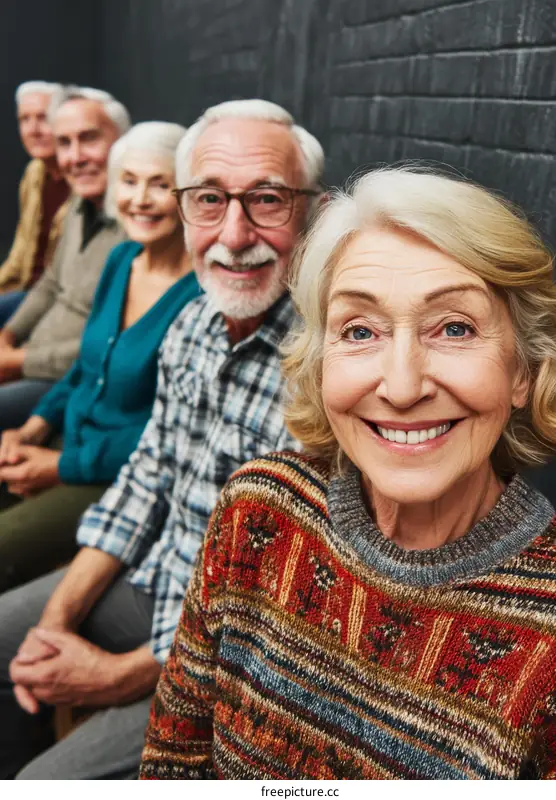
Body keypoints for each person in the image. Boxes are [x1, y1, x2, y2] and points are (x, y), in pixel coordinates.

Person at [140, 167, 556, 780]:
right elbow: (174, 764)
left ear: (523, 371)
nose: (403, 387)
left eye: (455, 328)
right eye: (360, 330)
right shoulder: (261, 509)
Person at [0, 99, 325, 780]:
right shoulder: (194, 324)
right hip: (152, 579)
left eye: (266, 199)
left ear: (312, 212)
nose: (234, 235)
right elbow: (147, 478)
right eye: (209, 200)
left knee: (40, 787)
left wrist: (114, 677)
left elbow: (277, 603)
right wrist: (58, 621)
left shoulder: (324, 368)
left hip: (231, 654)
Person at [0, 121, 199, 593]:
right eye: (129, 181)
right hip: (68, 442)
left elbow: (169, 431)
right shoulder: (123, 258)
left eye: (159, 184)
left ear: (189, 193)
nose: (141, 199)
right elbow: (84, 369)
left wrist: (60, 467)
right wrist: (32, 426)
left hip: (116, 475)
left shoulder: (200, 292)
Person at [0, 85, 130, 429]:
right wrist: (8, 335)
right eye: (64, 143)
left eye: (88, 138)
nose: (74, 157)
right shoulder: (77, 203)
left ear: (123, 141)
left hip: (64, 378)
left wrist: (16, 361)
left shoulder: (141, 223)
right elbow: (50, 281)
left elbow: (115, 344)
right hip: (33, 352)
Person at [0, 82, 71, 325]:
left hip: (55, 301)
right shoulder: (34, 173)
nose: (33, 130)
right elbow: (20, 251)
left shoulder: (83, 179)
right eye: (24, 119)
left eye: (42, 118)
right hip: (25, 290)